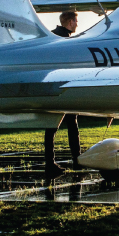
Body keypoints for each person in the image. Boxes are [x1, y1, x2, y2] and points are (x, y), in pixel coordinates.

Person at [45, 11, 81, 172]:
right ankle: (77, 160)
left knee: (51, 128)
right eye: (76, 21)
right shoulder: (68, 40)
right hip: (65, 87)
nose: (77, 25)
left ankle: (50, 162)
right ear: (70, 22)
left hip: (51, 86)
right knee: (72, 126)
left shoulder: (50, 36)